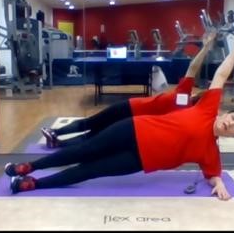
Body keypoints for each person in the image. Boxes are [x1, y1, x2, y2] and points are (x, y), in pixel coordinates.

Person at [7, 26, 234, 200]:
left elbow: (213, 174)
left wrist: (218, 183)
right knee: (84, 149)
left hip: (139, 160)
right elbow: (221, 74)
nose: (230, 125)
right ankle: (28, 167)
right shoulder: (206, 108)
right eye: (233, 119)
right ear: (225, 114)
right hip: (135, 128)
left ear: (233, 136)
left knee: (91, 169)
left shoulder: (210, 152)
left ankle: (33, 184)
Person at [38, 31, 218, 149]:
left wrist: (205, 48)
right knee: (95, 133)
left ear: (197, 95)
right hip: (134, 118)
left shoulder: (184, 97)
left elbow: (192, 68)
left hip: (131, 110)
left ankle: (56, 135)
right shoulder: (187, 110)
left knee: (92, 123)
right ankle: (58, 142)